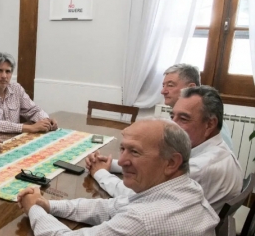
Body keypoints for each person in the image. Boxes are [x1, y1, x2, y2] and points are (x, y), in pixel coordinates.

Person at [18, 118, 219, 236]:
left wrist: (34, 209)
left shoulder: (143, 221)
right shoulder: (186, 189)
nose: (121, 161)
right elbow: (109, 206)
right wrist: (49, 205)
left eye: (135, 152)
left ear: (172, 162)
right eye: (123, 149)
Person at [87, 86, 242, 213]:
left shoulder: (200, 167)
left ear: (209, 124)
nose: (171, 125)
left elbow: (135, 196)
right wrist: (112, 164)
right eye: (172, 116)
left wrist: (101, 173)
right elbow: (154, 167)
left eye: (183, 119)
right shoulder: (218, 149)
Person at [0, 52, 58, 133]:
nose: (4, 76)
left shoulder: (16, 89)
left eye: (8, 71)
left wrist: (46, 120)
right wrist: (30, 128)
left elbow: (33, 110)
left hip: (14, 140)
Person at [161, 63, 233, 149]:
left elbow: (217, 157)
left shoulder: (213, 126)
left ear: (190, 87)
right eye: (163, 85)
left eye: (170, 85)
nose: (163, 91)